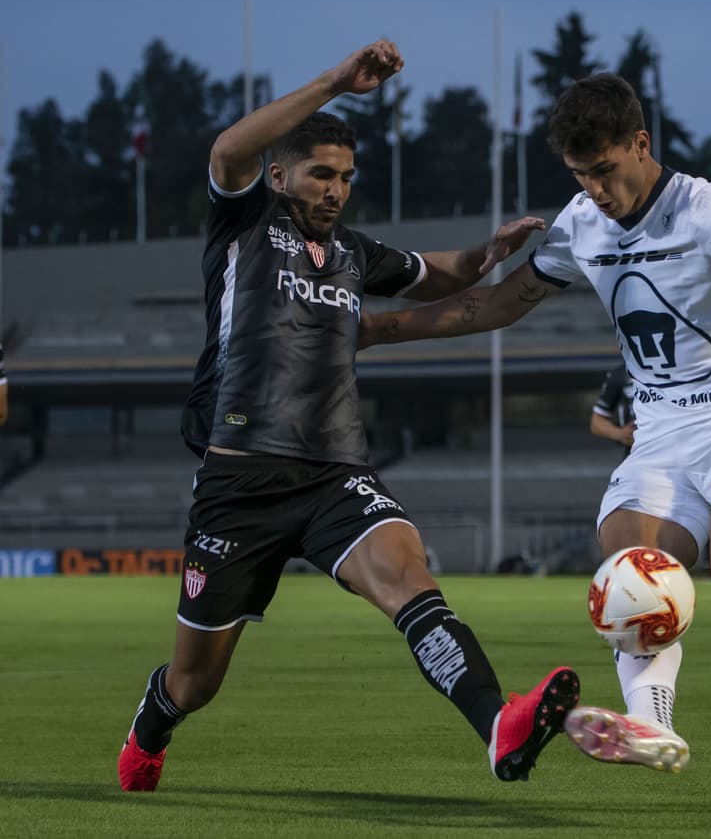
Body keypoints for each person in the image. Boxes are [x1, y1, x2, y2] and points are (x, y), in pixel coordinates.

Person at [360, 73, 711, 818]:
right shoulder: (582, 224)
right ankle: (655, 725)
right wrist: (378, 329)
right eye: (582, 176)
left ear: (641, 144)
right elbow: (494, 303)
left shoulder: (702, 207)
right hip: (660, 431)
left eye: (605, 170)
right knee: (626, 574)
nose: (597, 190)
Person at [116, 40, 580, 794]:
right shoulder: (241, 223)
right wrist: (335, 82)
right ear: (280, 174)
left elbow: (447, 279)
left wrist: (489, 252)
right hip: (239, 481)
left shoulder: (357, 254)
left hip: (336, 472)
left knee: (410, 578)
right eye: (321, 174)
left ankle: (500, 724)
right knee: (197, 682)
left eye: (347, 178)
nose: (336, 190)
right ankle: (154, 716)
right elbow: (227, 148)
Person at [589, 363, 636, 454]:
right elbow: (596, 422)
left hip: (668, 447)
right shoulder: (621, 373)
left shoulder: (671, 372)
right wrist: (620, 434)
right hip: (635, 453)